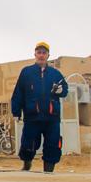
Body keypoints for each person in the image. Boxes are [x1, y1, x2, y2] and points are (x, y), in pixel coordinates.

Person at [10, 41, 68, 173]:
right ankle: (26, 165)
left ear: (48, 55)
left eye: (44, 53)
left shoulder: (55, 74)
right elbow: (18, 92)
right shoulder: (26, 72)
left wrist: (61, 90)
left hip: (52, 118)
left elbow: (65, 90)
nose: (41, 55)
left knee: (52, 144)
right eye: (39, 52)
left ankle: (49, 170)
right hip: (32, 117)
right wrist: (16, 111)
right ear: (35, 54)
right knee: (28, 143)